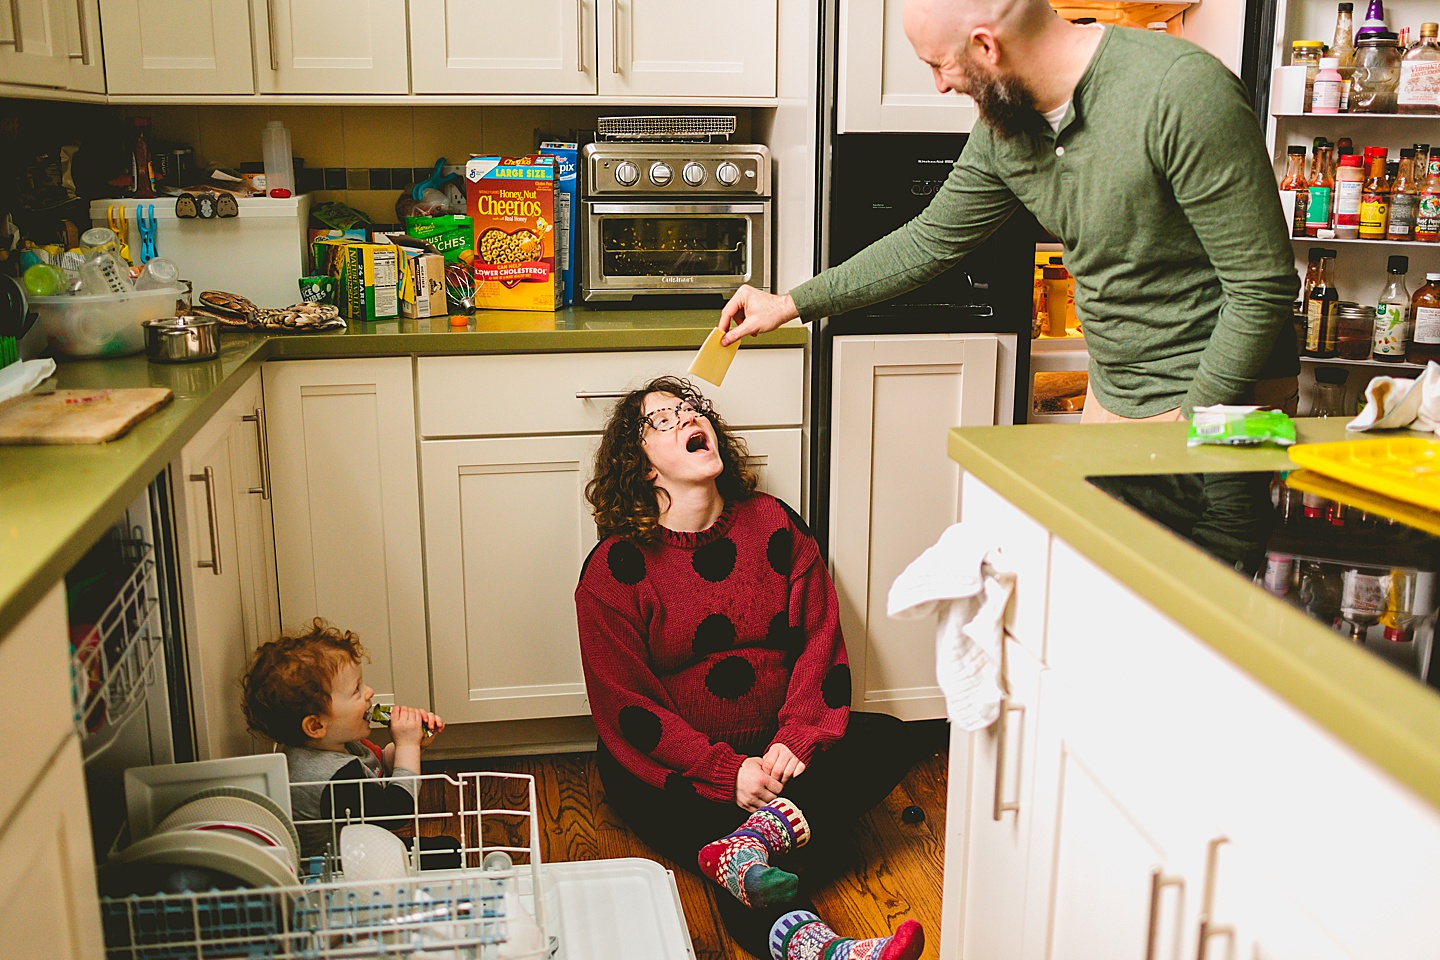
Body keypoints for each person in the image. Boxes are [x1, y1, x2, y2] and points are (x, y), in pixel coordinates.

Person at [719, 0, 1300, 421]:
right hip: (1116, 391)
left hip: (1225, 393)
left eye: (937, 64)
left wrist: (1195, 424)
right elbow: (928, 241)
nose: (940, 88)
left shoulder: (1180, 91)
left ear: (985, 46)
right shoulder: (1006, 129)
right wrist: (792, 303)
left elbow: (1262, 287)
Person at [575, 376, 926, 960]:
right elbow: (626, 707)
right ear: (639, 467)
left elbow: (821, 643)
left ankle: (753, 846)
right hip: (682, 771)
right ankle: (824, 945)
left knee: (885, 740)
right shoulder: (615, 570)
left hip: (777, 752)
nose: (689, 419)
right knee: (705, 814)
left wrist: (798, 737)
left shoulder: (773, 524)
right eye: (662, 419)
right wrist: (722, 772)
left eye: (693, 409)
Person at [241, 618, 448, 861]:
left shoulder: (329, 744)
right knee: (448, 852)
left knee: (443, 846)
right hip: (345, 868)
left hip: (360, 848)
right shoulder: (334, 777)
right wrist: (407, 746)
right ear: (316, 725)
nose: (369, 692)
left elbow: (378, 766)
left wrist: (413, 746)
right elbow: (395, 811)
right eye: (356, 690)